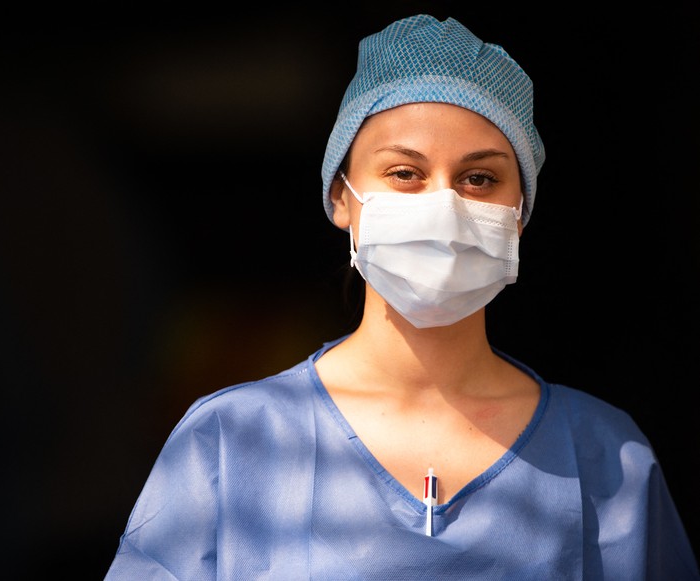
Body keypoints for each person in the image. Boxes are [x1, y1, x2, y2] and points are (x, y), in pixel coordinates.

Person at [103, 14, 699, 580]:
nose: (444, 204)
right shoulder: (234, 441)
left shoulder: (604, 457)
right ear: (341, 198)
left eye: (479, 178)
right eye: (404, 174)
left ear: (520, 213)